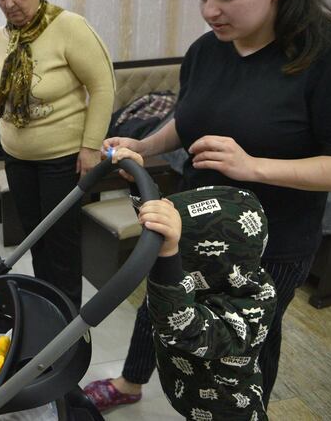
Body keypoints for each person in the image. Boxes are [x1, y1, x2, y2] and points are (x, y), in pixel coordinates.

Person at [83, 0, 331, 412]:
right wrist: (145, 144)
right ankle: (131, 382)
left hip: (269, 244)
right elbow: (189, 118)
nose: (209, 10)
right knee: (161, 304)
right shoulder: (208, 50)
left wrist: (254, 167)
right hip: (189, 220)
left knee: (240, 345)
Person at [85, 149, 277, 419]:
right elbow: (168, 225)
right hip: (189, 393)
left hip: (228, 410)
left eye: (179, 251)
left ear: (210, 261)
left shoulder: (252, 307)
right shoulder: (216, 273)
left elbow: (182, 325)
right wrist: (138, 183)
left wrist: (168, 252)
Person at [0, 0, 115, 308]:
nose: (8, 3)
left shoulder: (69, 27)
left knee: (61, 243)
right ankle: (48, 307)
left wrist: (90, 147)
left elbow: (103, 87)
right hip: (17, 156)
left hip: (63, 159)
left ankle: (69, 323)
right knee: (36, 238)